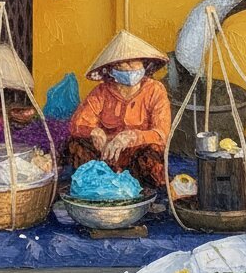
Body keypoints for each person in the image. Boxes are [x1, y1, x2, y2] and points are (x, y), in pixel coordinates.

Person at [66, 30, 170, 189]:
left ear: (144, 64)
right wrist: (94, 131)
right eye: (122, 64)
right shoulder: (101, 92)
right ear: (111, 70)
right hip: (107, 158)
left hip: (138, 157)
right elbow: (77, 123)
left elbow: (161, 134)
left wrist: (132, 136)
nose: (129, 68)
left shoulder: (155, 90)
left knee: (152, 155)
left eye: (134, 62)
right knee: (75, 145)